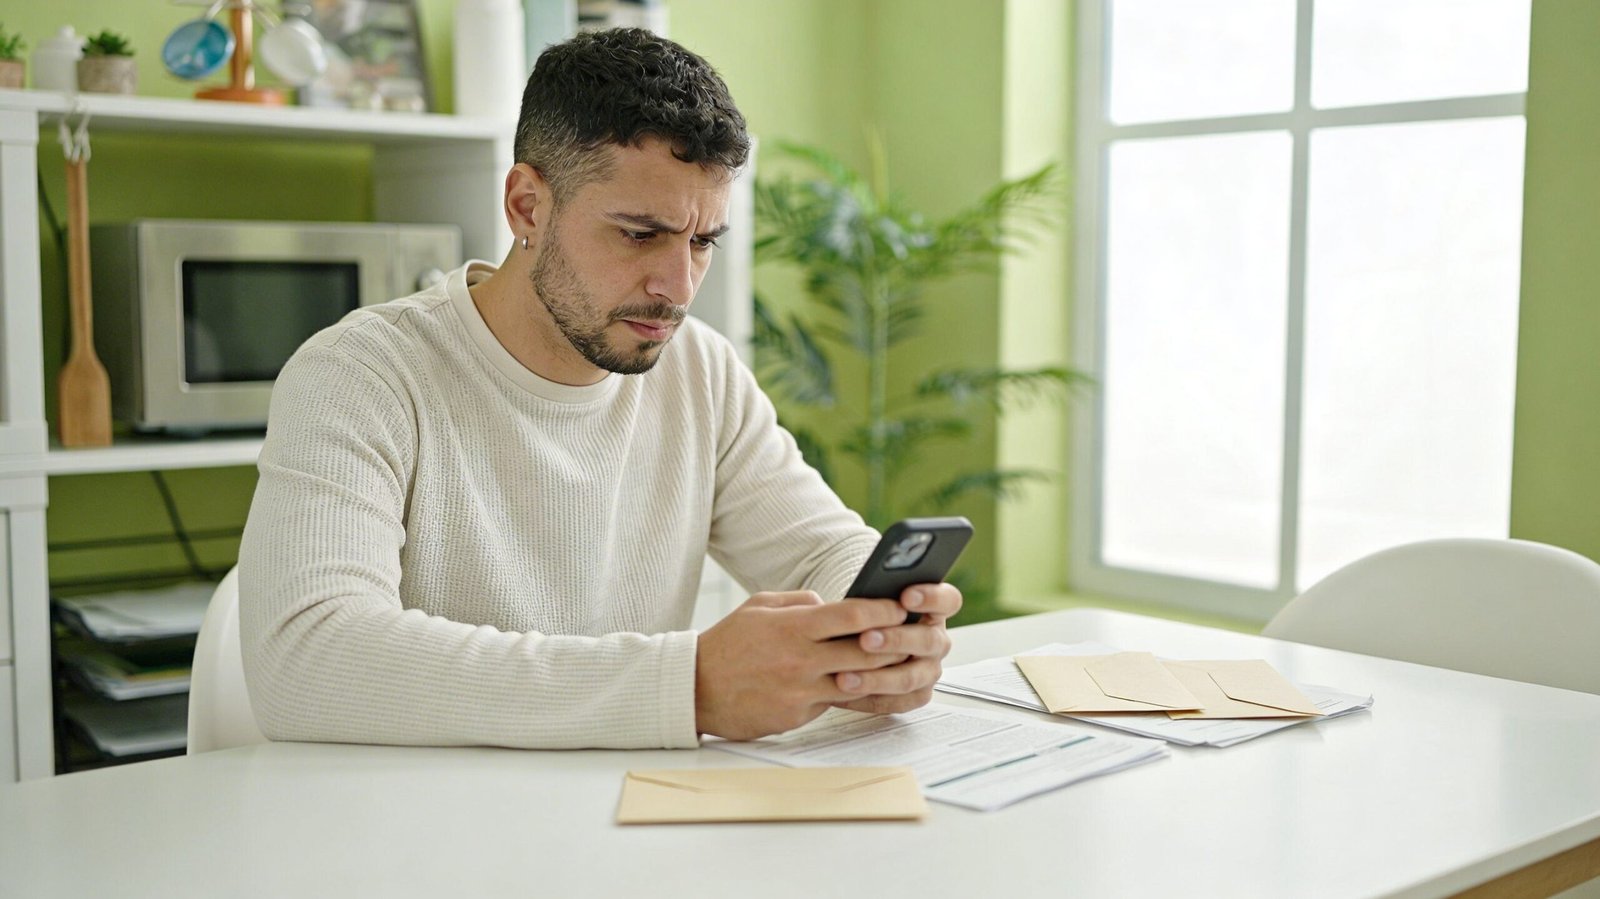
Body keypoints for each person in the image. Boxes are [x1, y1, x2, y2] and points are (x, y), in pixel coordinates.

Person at [237, 27, 961, 749]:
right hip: (416, 832)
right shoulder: (360, 374)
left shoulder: (699, 370)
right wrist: (688, 685)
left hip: (629, 819)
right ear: (527, 207)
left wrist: (881, 633)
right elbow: (307, 658)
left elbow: (821, 554)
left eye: (702, 241)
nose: (678, 287)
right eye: (640, 234)